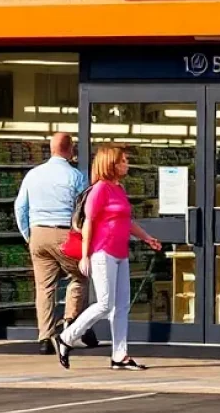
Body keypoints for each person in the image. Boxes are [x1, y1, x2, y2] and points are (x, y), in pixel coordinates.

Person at [56, 145, 161, 371]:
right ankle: (67, 336)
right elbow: (89, 222)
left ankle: (120, 355)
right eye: (122, 161)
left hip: (120, 253)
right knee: (104, 303)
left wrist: (147, 238)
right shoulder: (100, 189)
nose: (127, 164)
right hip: (103, 252)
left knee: (121, 306)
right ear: (109, 164)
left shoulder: (119, 189)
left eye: (126, 161)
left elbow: (127, 221)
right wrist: (85, 255)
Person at [15, 132, 97, 354]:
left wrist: (28, 234)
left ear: (51, 149)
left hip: (38, 234)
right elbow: (84, 209)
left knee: (44, 287)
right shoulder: (75, 176)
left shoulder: (32, 175)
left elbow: (20, 207)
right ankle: (70, 321)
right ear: (70, 150)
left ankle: (45, 337)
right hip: (65, 233)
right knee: (81, 275)